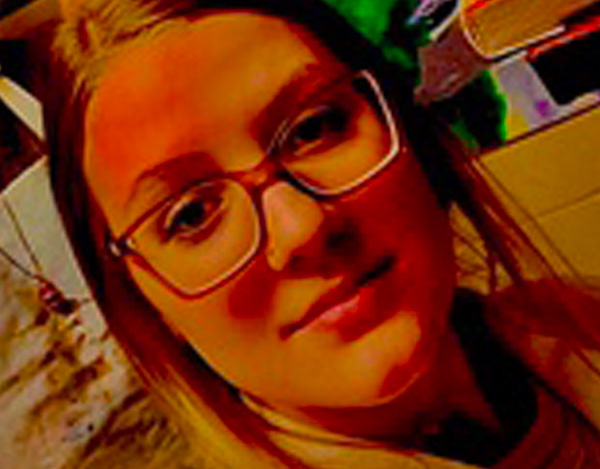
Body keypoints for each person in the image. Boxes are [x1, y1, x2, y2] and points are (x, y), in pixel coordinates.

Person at [43, 0, 600, 467]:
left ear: (406, 129)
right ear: (143, 304)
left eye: (314, 127)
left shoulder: (567, 324)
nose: (301, 227)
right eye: (191, 215)